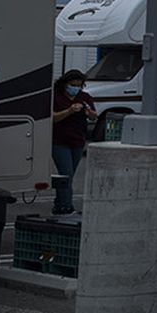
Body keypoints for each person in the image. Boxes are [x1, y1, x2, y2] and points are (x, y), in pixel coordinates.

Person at [50, 69, 97, 216]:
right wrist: (69, 111)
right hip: (59, 142)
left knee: (68, 176)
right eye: (72, 84)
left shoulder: (84, 97)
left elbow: (94, 117)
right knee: (66, 174)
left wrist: (89, 113)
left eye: (78, 85)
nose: (75, 88)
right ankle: (66, 206)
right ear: (65, 84)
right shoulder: (56, 97)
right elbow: (52, 118)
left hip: (77, 142)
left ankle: (59, 205)